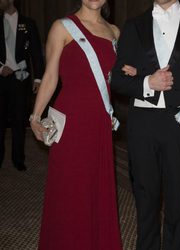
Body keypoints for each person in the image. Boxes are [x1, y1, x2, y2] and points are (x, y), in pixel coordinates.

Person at [111, 0, 180, 249]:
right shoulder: (133, 26)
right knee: (145, 200)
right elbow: (117, 79)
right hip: (143, 126)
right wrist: (147, 82)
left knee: (178, 203)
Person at [29, 0, 136, 249]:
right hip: (72, 121)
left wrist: (130, 72)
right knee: (70, 188)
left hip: (100, 120)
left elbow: (115, 78)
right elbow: (50, 76)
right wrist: (35, 116)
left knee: (96, 189)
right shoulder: (63, 27)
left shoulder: (115, 32)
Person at [0, 0, 44, 171]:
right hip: (1, 78)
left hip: (21, 78)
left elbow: (36, 53)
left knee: (19, 120)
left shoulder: (28, 23)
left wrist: (38, 79)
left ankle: (18, 159)